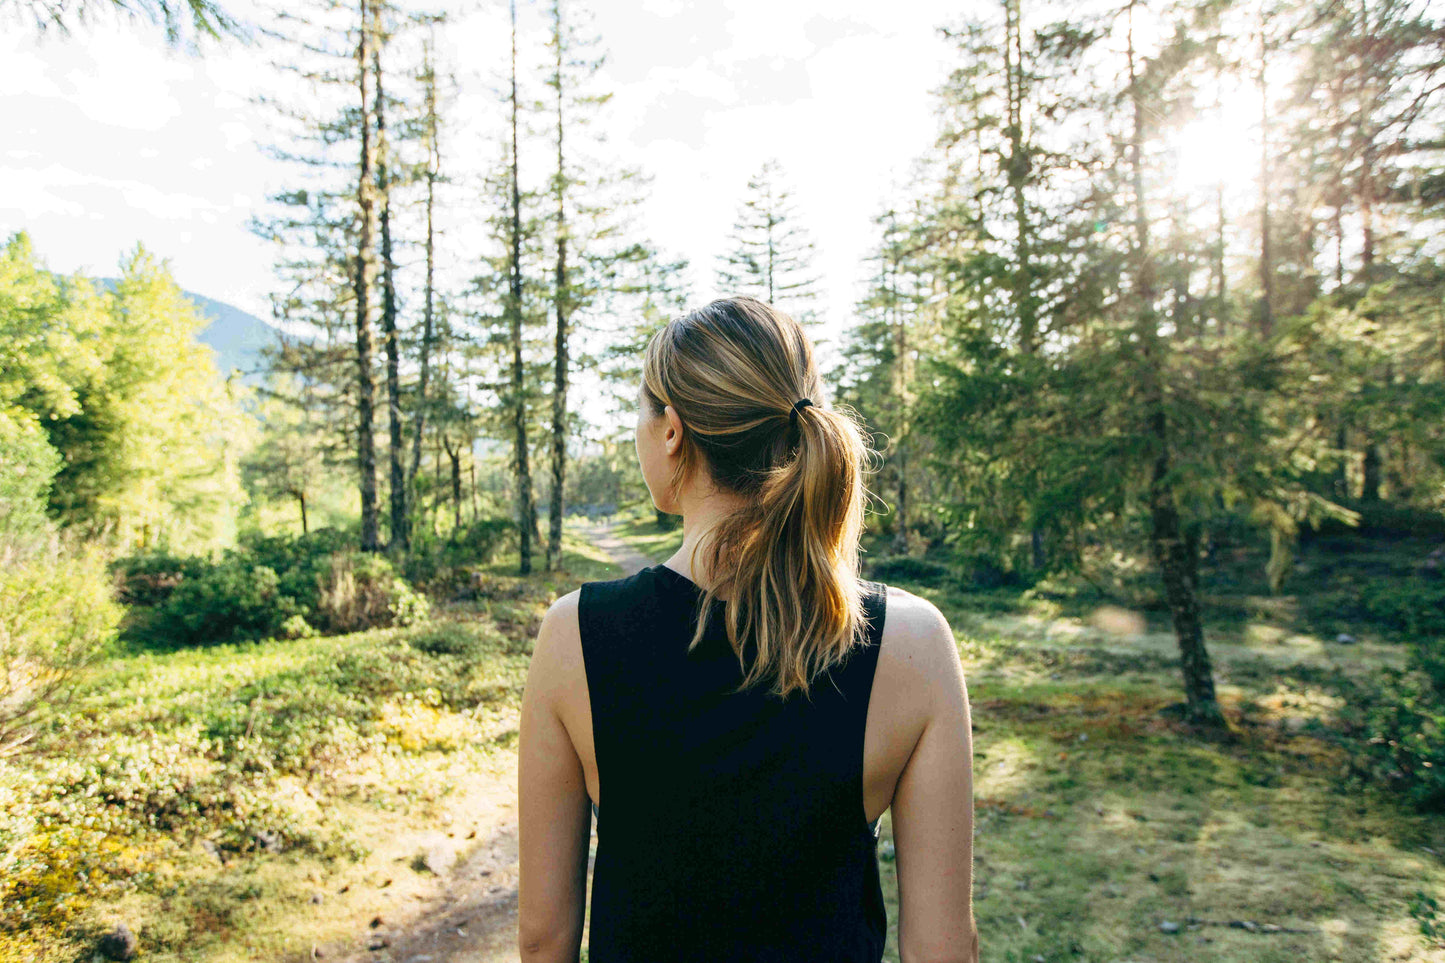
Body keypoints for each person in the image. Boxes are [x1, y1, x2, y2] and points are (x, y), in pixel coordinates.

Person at [517, 296, 978, 963]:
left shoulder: (575, 635)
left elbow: (543, 937)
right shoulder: (910, 642)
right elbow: (942, 949)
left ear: (670, 429)